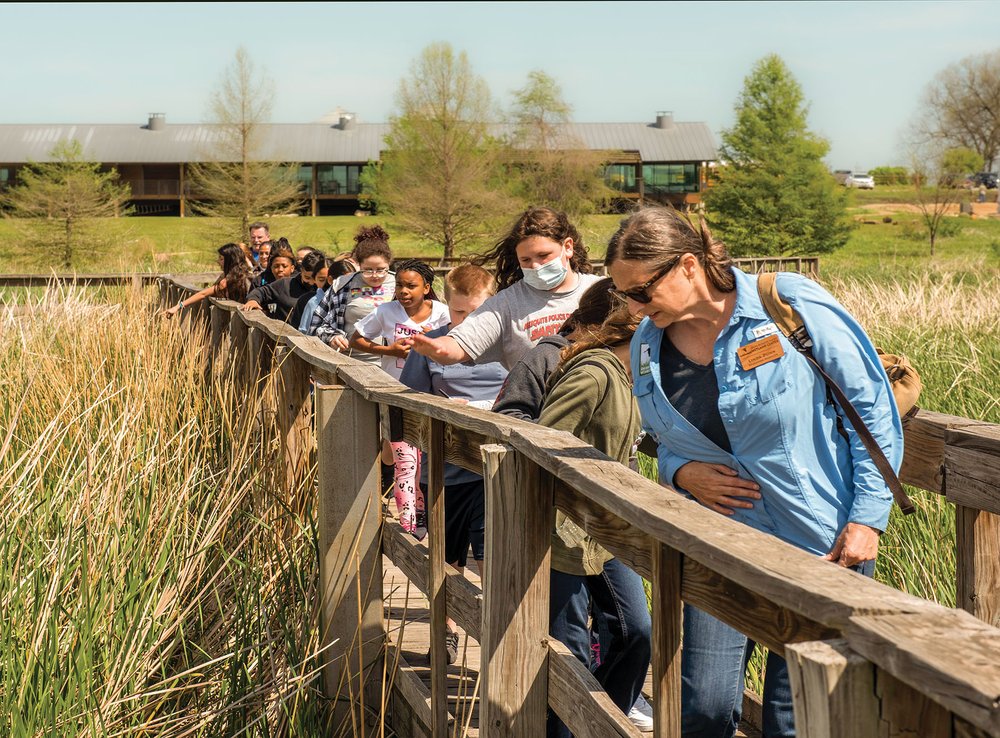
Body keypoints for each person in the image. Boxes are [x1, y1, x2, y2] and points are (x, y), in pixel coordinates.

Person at [606, 206, 904, 737]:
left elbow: (873, 409)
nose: (632, 306)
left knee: (797, 719)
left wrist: (868, 519)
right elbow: (662, 441)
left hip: (820, 545)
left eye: (640, 291)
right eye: (623, 295)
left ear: (689, 267)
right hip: (719, 545)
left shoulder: (786, 303)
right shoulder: (648, 344)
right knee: (702, 708)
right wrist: (680, 474)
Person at [538, 304, 652, 738]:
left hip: (608, 530)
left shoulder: (634, 380)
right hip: (566, 527)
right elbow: (545, 437)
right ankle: (565, 729)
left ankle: (600, 724)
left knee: (637, 632)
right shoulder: (594, 373)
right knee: (570, 650)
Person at [398, 264, 508, 663]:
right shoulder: (431, 345)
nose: (466, 321)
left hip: (495, 470)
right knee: (448, 559)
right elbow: (408, 406)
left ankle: (496, 639)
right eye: (458, 313)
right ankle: (445, 629)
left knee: (491, 558)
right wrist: (442, 409)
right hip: (444, 471)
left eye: (476, 312)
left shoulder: (513, 348)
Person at [408, 207, 603, 370]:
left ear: (567, 247)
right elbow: (461, 343)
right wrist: (440, 349)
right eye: (526, 260)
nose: (535, 266)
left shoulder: (599, 289)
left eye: (543, 255)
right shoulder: (506, 303)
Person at [352, 259, 450, 534]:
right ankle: (409, 521)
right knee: (401, 456)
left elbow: (457, 345)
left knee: (418, 457)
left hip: (430, 395)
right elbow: (355, 339)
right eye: (399, 286)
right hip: (394, 391)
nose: (403, 291)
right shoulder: (386, 312)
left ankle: (417, 516)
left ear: (427, 288)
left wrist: (436, 342)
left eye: (411, 286)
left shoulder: (442, 314)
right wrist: (391, 352)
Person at [309, 226, 395, 364]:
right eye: (367, 270)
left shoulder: (401, 284)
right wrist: (332, 337)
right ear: (358, 265)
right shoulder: (342, 285)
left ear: (389, 265)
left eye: (380, 270)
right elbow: (317, 324)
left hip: (393, 364)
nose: (375, 276)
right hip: (351, 362)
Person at [163, 242, 251, 318]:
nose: (218, 261)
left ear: (230, 260)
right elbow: (203, 293)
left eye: (221, 259)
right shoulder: (239, 276)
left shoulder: (228, 281)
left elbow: (203, 294)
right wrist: (178, 306)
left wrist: (177, 307)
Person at [241, 243, 300, 321]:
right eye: (276, 266)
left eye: (284, 266)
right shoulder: (263, 282)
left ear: (292, 268)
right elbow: (259, 292)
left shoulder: (299, 282)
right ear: (271, 267)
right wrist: (252, 300)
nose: (280, 270)